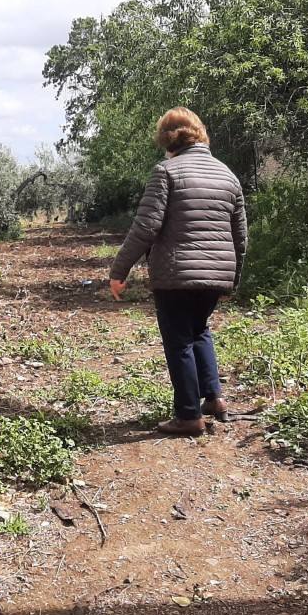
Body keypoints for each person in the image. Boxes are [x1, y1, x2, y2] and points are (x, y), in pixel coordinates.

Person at [108, 107, 248, 435]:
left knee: (179, 340)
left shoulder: (166, 172)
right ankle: (214, 399)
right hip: (217, 273)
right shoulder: (227, 174)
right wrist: (233, 279)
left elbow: (146, 227)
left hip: (176, 274)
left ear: (167, 139)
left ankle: (188, 416)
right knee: (199, 330)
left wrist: (119, 270)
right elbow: (240, 235)